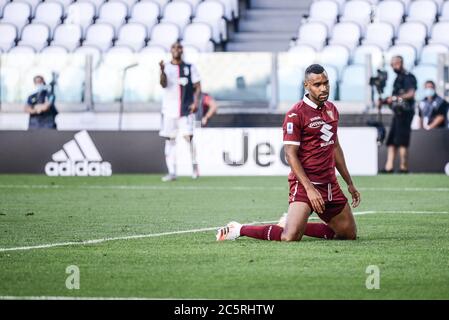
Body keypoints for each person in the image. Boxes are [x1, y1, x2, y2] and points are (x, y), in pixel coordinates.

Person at [216, 64, 361, 242]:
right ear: (306, 85)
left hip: (330, 184)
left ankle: (291, 222)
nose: (323, 88)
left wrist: (350, 183)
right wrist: (309, 189)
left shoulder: (331, 109)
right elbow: (290, 155)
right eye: (317, 84)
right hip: (304, 184)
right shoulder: (296, 113)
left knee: (348, 234)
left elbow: (335, 146)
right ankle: (238, 229)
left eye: (326, 83)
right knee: (290, 236)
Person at [159, 41, 201, 181]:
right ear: (170, 50)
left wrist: (196, 102)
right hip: (169, 111)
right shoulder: (166, 67)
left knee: (188, 138)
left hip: (186, 110)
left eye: (179, 47)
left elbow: (197, 86)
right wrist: (161, 71)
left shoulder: (190, 67)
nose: (176, 49)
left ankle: (195, 167)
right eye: (174, 47)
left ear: (182, 50)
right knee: (170, 140)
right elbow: (163, 84)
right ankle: (172, 172)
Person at [381, 56, 417, 173]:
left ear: (401, 63)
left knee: (402, 140)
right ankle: (389, 167)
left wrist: (396, 98)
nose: (394, 66)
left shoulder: (408, 77)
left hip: (405, 113)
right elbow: (394, 97)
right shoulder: (397, 79)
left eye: (395, 63)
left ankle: (403, 167)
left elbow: (411, 94)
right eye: (392, 64)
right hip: (397, 113)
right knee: (391, 140)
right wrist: (384, 101)